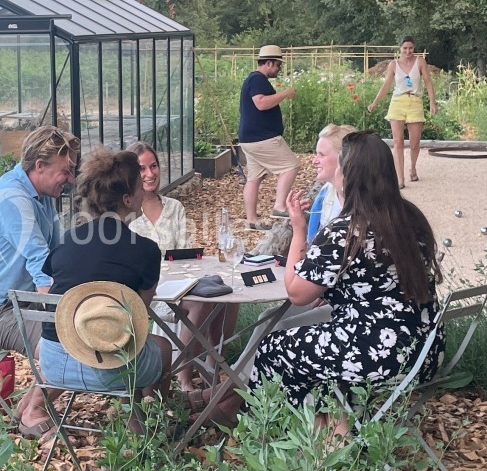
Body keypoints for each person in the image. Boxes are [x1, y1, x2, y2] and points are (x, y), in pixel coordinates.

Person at [195, 131, 443, 431]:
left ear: (348, 172)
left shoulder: (347, 231)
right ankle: (322, 428)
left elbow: (297, 292)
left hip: (378, 354)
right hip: (424, 351)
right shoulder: (410, 218)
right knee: (301, 341)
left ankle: (261, 424)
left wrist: (298, 230)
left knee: (275, 347)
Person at [24, 149, 170, 437]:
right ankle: (152, 423)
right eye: (140, 188)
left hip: (55, 366)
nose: (144, 192)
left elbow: (56, 279)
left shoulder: (67, 241)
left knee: (111, 338)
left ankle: (136, 423)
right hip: (113, 369)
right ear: (127, 200)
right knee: (158, 346)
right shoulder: (145, 251)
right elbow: (138, 319)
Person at [0, 125, 79, 430]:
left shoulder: (41, 194)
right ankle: (32, 412)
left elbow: (59, 255)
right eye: (66, 171)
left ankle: (28, 406)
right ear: (40, 166)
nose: (72, 179)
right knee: (73, 345)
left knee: (78, 334)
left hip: (17, 303)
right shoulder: (13, 199)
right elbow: (43, 270)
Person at [127, 141, 236, 391]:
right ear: (131, 174)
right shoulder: (126, 212)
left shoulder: (174, 207)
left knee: (228, 296)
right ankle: (182, 375)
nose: (150, 174)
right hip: (147, 292)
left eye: (153, 166)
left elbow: (185, 254)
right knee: (200, 302)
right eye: (142, 169)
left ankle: (213, 369)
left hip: (178, 283)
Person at [237, 44, 299, 230]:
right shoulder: (258, 79)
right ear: (269, 63)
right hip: (262, 138)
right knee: (291, 165)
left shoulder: (252, 79)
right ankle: (279, 207)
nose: (279, 69)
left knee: (254, 178)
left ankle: (252, 220)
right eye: (278, 65)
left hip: (249, 139)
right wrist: (285, 94)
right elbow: (261, 103)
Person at [367, 36, 438, 188]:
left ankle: (412, 167)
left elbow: (427, 81)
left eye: (410, 48)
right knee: (398, 142)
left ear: (414, 48)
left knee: (414, 142)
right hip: (398, 102)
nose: (408, 51)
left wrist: (432, 102)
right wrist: (375, 102)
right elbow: (386, 85)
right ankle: (400, 178)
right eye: (405, 48)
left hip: (415, 101)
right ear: (400, 49)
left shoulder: (420, 62)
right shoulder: (393, 64)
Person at [305, 123, 357, 242]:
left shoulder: (365, 199)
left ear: (344, 158)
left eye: (321, 155)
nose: (314, 161)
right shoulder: (324, 195)